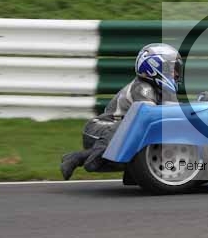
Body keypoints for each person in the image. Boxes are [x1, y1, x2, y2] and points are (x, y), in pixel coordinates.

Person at [60, 43, 182, 180]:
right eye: (173, 69)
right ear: (155, 67)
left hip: (112, 131)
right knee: (136, 123)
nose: (176, 74)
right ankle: (88, 157)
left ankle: (135, 174)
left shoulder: (159, 91)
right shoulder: (142, 88)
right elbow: (150, 117)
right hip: (100, 129)